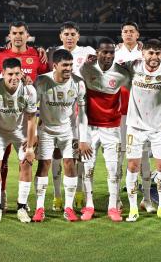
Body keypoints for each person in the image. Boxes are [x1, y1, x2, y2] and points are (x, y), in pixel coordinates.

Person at [0, 21, 48, 212]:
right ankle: (2, 197)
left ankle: (23, 201)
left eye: (21, 33)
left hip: (26, 119)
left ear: (27, 35)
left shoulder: (37, 55)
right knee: (0, 162)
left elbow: (46, 81)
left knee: (26, 161)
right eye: (14, 33)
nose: (17, 36)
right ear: (9, 35)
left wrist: (31, 85)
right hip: (3, 118)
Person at [122, 39, 161, 223]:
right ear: (143, 53)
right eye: (150, 53)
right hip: (135, 127)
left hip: (158, 127)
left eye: (157, 53)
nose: (154, 57)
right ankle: (132, 208)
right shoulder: (132, 66)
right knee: (133, 166)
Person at [32, 49, 87, 222]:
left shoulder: (78, 83)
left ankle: (68, 208)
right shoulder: (42, 81)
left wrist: (82, 138)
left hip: (68, 130)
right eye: (64, 65)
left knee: (70, 164)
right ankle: (40, 208)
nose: (68, 68)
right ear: (54, 65)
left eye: (70, 65)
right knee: (44, 165)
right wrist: (33, 134)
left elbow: (82, 113)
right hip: (46, 130)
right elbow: (32, 110)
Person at [79, 38, 131, 222]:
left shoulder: (122, 74)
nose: (108, 56)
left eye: (111, 53)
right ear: (97, 52)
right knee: (88, 169)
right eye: (104, 52)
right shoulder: (86, 69)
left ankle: (113, 206)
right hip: (90, 129)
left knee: (113, 169)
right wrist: (82, 136)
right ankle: (89, 205)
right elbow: (80, 99)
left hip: (112, 128)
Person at [47, 21, 96, 211]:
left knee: (79, 154)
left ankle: (79, 193)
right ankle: (58, 196)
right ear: (61, 36)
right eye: (66, 34)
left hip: (81, 108)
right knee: (57, 154)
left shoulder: (87, 52)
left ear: (78, 35)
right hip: (58, 109)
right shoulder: (53, 53)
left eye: (72, 34)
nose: (69, 37)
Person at [0, 58, 38, 223]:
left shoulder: (29, 91)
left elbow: (30, 119)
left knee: (27, 163)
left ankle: (21, 207)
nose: (14, 77)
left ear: (21, 73)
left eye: (17, 73)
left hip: (20, 131)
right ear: (3, 74)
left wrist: (29, 148)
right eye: (10, 74)